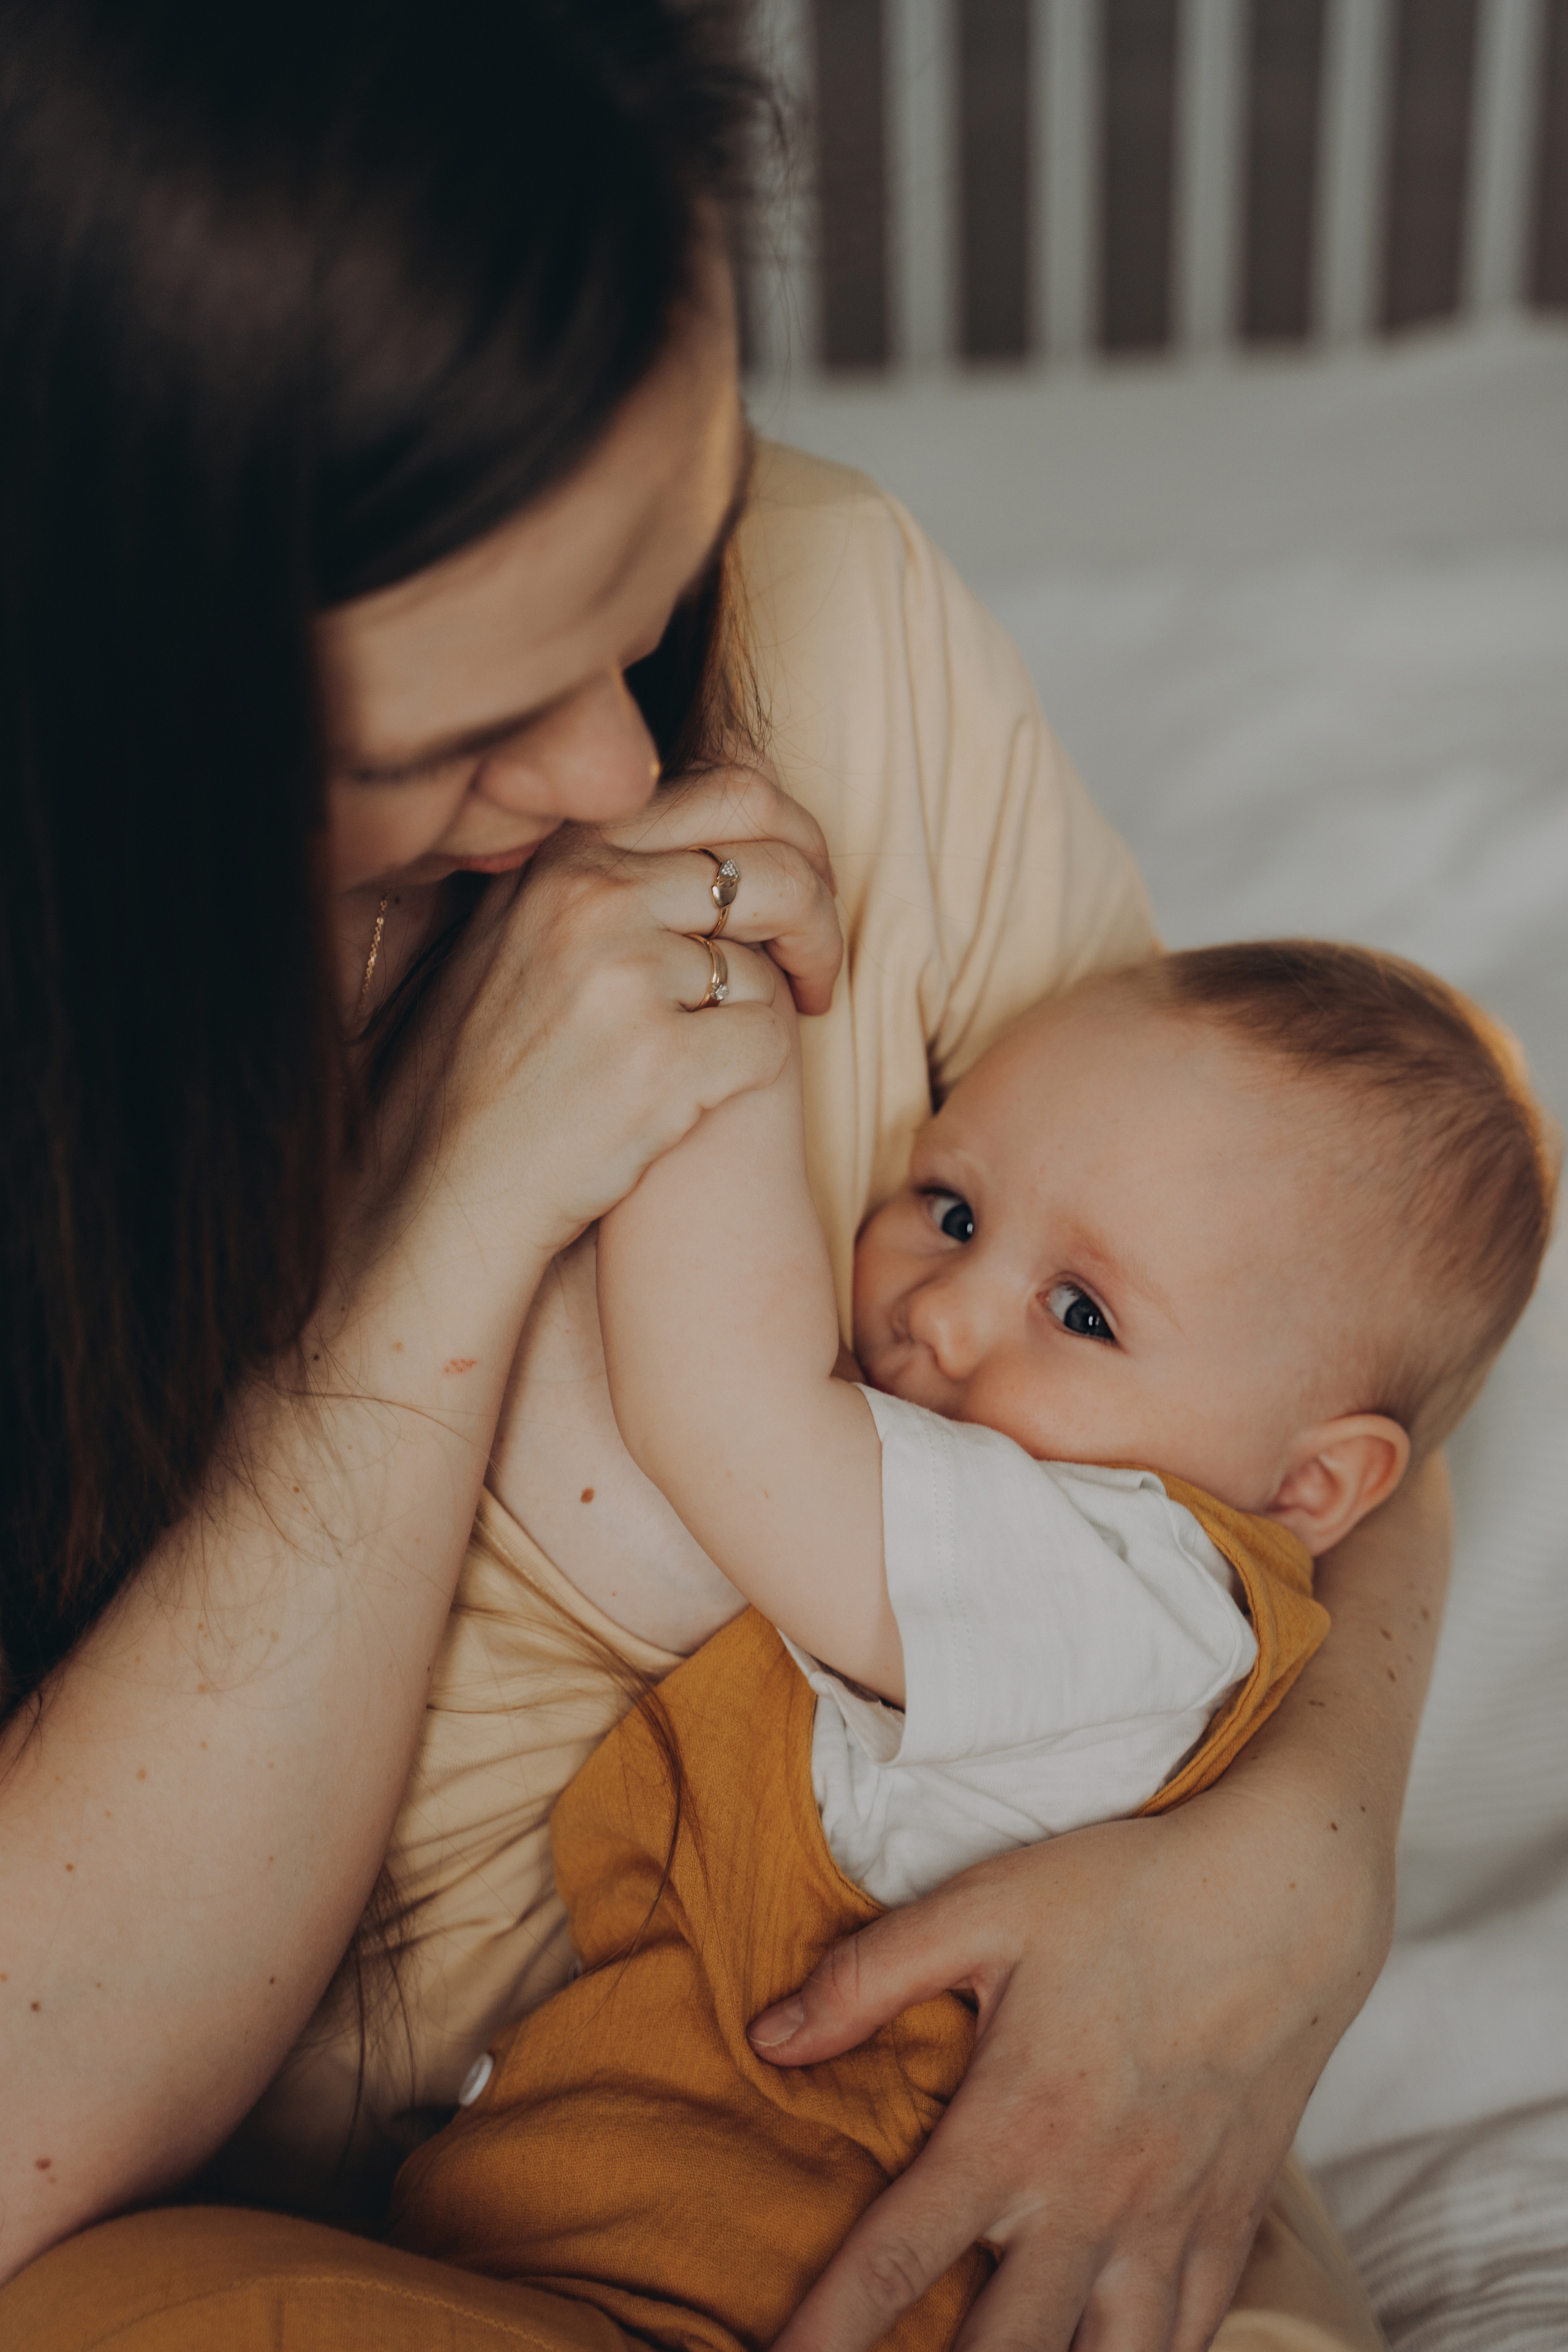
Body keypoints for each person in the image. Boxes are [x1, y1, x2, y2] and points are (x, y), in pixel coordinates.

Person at [0, 4, 1452, 2348]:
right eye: (452, 732)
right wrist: (440, 1241)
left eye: (660, 583)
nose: (616, 762)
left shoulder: (831, 612)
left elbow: (1327, 1324)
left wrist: (1292, 1880)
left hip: (961, 2142)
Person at [386, 941, 1556, 2352]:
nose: (937, 1311)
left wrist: (710, 1038)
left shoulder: (1124, 1586)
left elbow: (723, 1411)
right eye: (947, 1207)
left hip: (759, 2275)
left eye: (1081, 1313)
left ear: (1310, 1490)